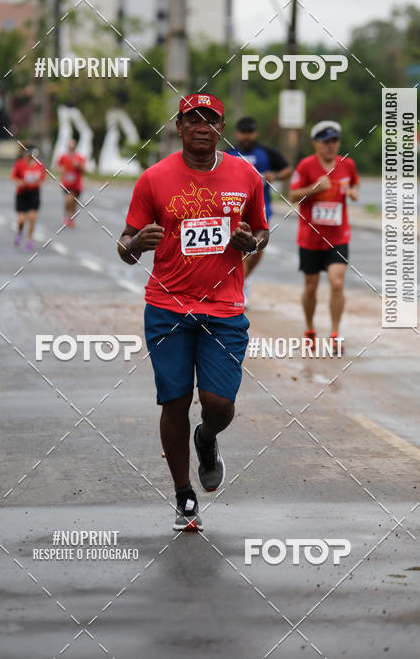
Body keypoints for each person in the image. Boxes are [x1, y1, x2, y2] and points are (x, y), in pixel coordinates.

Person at [117, 93, 269, 532]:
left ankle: (208, 438)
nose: (203, 126)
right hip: (167, 307)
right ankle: (184, 494)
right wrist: (133, 247)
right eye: (193, 119)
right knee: (175, 401)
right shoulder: (154, 178)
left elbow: (261, 229)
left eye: (211, 119)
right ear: (179, 127)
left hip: (224, 308)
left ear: (221, 127)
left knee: (219, 404)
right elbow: (126, 242)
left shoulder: (246, 175)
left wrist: (253, 243)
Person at [289, 120, 359, 354]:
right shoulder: (306, 166)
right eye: (326, 142)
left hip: (338, 236)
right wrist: (315, 188)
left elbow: (355, 184)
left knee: (337, 283)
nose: (331, 146)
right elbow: (292, 195)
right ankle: (310, 328)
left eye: (335, 141)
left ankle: (335, 333)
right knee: (311, 287)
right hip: (310, 237)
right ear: (315, 144)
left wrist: (353, 192)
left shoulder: (347, 164)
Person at [226, 117, 292, 297]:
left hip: (261, 209)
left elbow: (287, 170)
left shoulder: (267, 152)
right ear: (238, 133)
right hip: (234, 211)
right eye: (243, 132)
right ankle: (237, 289)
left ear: (255, 133)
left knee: (256, 251)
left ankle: (244, 280)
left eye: (251, 132)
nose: (247, 136)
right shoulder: (228, 154)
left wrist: (275, 176)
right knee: (238, 251)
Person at [11, 145, 46, 249]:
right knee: (21, 219)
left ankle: (29, 239)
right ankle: (19, 232)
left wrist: (37, 183)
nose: (30, 157)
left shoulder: (39, 165)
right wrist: (19, 182)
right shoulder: (19, 164)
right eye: (28, 155)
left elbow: (42, 179)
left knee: (32, 218)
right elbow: (13, 177)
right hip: (22, 193)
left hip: (34, 193)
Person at [57, 138, 85, 227]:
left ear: (75, 146)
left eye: (72, 145)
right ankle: (65, 216)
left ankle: (72, 218)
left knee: (74, 202)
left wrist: (78, 166)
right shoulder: (63, 157)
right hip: (67, 184)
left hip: (77, 184)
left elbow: (84, 170)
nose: (71, 146)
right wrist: (61, 169)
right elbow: (58, 166)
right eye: (69, 144)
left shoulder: (79, 157)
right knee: (68, 200)